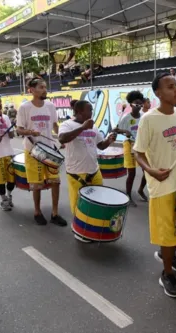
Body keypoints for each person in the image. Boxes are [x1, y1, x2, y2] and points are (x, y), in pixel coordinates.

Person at [133, 73, 176, 298]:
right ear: (158, 93)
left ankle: (167, 254)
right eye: (170, 87)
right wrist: (150, 170)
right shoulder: (148, 119)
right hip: (162, 185)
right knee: (167, 233)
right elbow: (138, 152)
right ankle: (167, 274)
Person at [58, 100, 116, 241]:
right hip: (76, 173)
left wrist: (108, 141)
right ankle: (79, 231)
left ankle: (92, 229)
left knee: (97, 201)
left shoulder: (93, 127)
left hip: (94, 171)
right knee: (80, 204)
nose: (92, 113)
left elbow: (100, 146)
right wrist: (82, 128)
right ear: (79, 111)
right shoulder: (67, 124)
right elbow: (62, 139)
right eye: (89, 109)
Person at [16, 78, 68, 227]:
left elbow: (55, 125)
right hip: (33, 150)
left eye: (45, 87)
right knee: (37, 184)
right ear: (31, 90)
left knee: (55, 182)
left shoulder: (50, 106)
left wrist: (61, 139)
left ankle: (55, 214)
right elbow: (19, 129)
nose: (45, 90)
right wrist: (29, 131)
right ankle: (37, 212)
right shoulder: (24, 108)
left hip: (50, 149)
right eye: (41, 87)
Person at [115, 90, 148, 206]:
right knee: (132, 173)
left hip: (141, 145)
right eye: (136, 104)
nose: (138, 106)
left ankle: (140, 190)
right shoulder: (126, 118)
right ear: (130, 105)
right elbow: (116, 129)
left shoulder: (144, 117)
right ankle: (128, 195)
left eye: (140, 104)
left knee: (147, 172)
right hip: (129, 145)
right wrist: (125, 131)